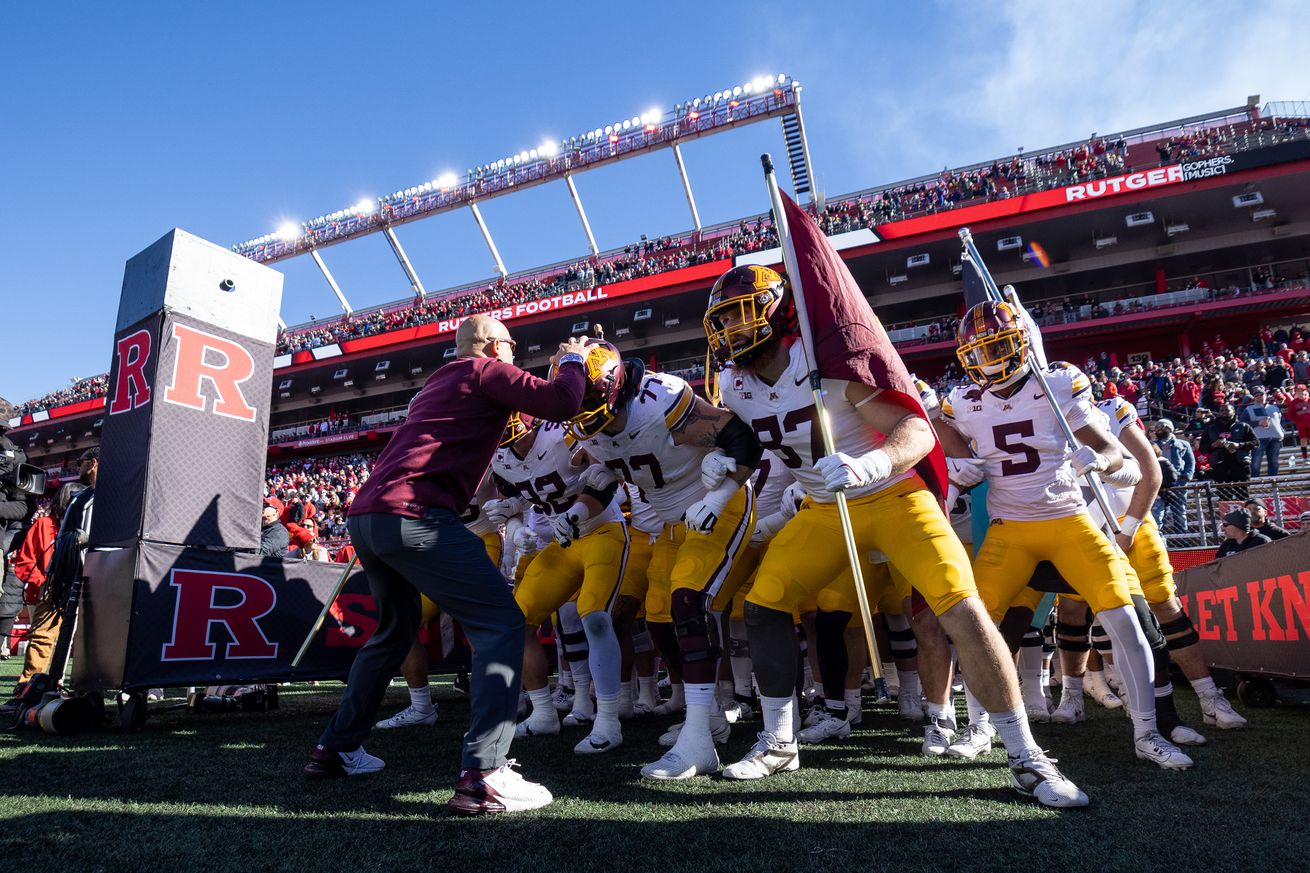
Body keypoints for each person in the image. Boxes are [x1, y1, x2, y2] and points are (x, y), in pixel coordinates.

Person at [704, 266, 1087, 807]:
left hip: (892, 495)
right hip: (824, 506)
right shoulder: (733, 383)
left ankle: (1026, 755)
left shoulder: (825, 360)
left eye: (739, 315)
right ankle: (779, 739)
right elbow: (754, 436)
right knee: (766, 603)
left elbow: (916, 429)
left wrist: (872, 465)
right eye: (721, 320)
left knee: (961, 606)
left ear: (778, 310)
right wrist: (724, 474)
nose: (729, 331)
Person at [304, 315, 590, 818]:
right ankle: (485, 773)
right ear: (494, 346)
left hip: (368, 517)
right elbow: (564, 402)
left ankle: (334, 748)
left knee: (392, 635)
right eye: (511, 344)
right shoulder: (485, 371)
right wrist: (571, 360)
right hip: (415, 514)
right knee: (501, 622)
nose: (515, 352)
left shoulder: (437, 381)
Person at [940, 300, 1190, 770]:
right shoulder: (963, 401)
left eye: (997, 347)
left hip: (1068, 519)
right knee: (977, 627)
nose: (988, 360)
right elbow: (940, 428)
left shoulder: (1056, 384)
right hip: (1008, 527)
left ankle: (1147, 732)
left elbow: (1114, 451)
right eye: (979, 351)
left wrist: (1100, 461)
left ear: (1020, 343)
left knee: (1126, 621)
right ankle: (979, 727)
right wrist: (959, 463)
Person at [566, 338, 762, 781]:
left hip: (716, 506)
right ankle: (707, 714)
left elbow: (742, 440)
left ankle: (698, 743)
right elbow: (605, 478)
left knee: (690, 603)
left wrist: (722, 492)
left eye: (589, 398)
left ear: (613, 387)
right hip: (672, 523)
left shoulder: (660, 400)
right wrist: (578, 512)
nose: (583, 412)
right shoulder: (591, 424)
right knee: (658, 620)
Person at [11, 481, 85, 684]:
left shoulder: (86, 529)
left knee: (78, 641)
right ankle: (29, 686)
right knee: (42, 640)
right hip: (49, 591)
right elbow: (25, 561)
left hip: (80, 591)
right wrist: (43, 584)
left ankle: (59, 684)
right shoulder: (44, 525)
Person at [1152, 420, 1194, 534]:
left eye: (1162, 426)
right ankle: (1161, 535)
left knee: (1180, 510)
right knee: (1158, 511)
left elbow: (1190, 462)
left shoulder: (1183, 444)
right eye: (1157, 427)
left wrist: (1186, 477)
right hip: (1160, 483)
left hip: (1178, 483)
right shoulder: (1152, 445)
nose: (1159, 429)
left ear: (1169, 428)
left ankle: (1182, 535)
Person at [1244, 387, 1284, 477]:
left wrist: (1281, 433)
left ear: (1266, 396)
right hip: (1259, 439)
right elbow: (1243, 423)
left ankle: (1273, 482)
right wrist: (1258, 423)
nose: (1259, 397)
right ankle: (1255, 483)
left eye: (1261, 394)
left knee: (1274, 462)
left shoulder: (1274, 407)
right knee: (1255, 462)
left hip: (1275, 438)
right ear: (1254, 398)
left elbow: (1279, 420)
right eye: (1256, 395)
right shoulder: (1249, 409)